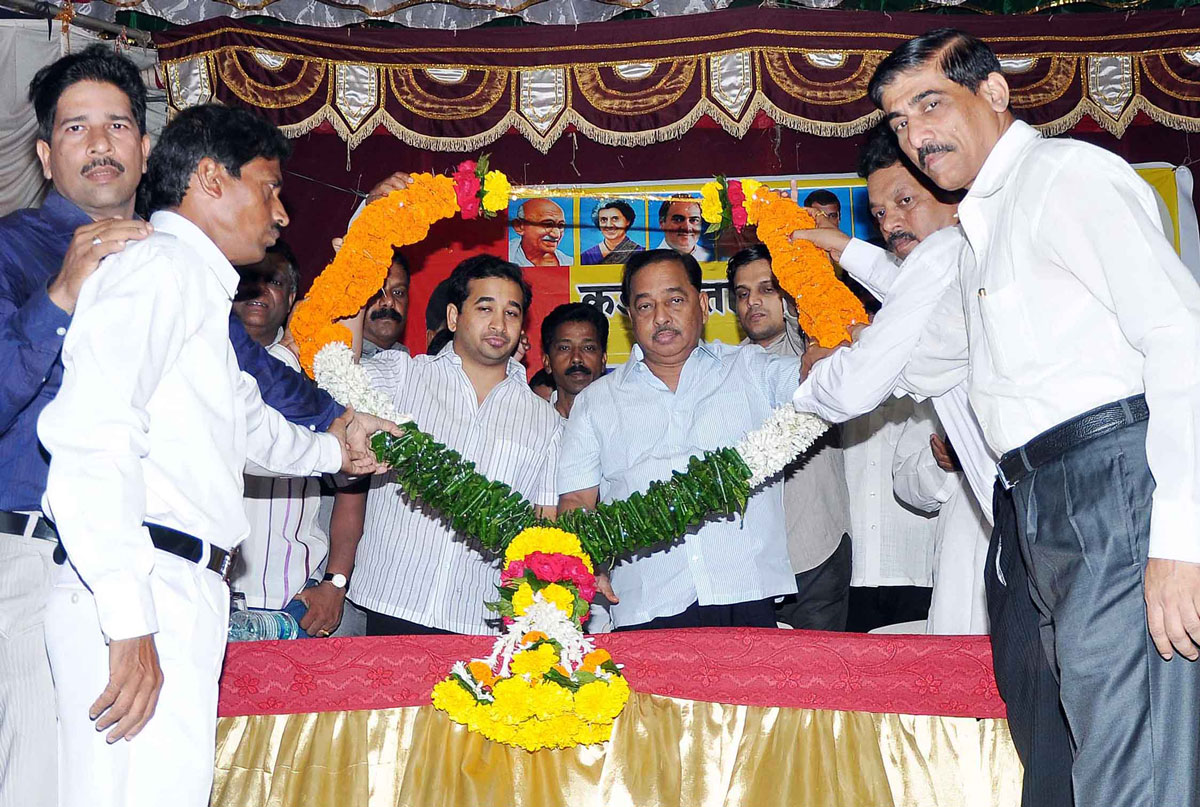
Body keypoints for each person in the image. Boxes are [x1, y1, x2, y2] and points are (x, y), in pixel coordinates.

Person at [0, 46, 348, 807]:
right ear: (209, 181)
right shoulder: (130, 266)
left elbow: (245, 411)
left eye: (118, 124)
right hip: (92, 567)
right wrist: (128, 616)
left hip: (162, 576)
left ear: (148, 149)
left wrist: (339, 442)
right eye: (271, 190)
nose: (283, 212)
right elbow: (90, 435)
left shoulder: (180, 274)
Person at [871, 28, 1200, 806]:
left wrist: (1182, 536)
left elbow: (1180, 338)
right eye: (897, 121)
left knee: (1132, 766)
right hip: (1038, 504)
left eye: (929, 103)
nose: (916, 135)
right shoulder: (981, 227)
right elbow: (926, 365)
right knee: (1083, 759)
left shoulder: (1068, 177)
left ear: (993, 94)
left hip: (1113, 485)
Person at [558, 249, 798, 629]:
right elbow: (575, 499)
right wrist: (587, 558)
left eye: (674, 300)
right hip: (647, 606)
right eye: (645, 306)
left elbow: (827, 383)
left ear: (702, 305)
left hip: (746, 594)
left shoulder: (752, 369)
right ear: (629, 318)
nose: (662, 317)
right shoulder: (596, 402)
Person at [352, 255, 562, 635]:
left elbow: (543, 525)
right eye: (485, 308)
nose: (499, 324)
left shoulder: (545, 420)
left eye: (511, 313)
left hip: (481, 621)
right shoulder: (403, 376)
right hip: (391, 602)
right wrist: (353, 276)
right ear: (453, 318)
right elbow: (338, 378)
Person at [727, 245, 852, 631]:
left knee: (821, 681)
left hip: (817, 545)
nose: (754, 302)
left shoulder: (819, 349)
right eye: (743, 293)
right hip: (752, 559)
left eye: (767, 288)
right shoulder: (726, 370)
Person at [230, 242, 344, 637]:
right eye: (249, 279)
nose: (260, 291)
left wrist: (335, 582)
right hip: (206, 585)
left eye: (274, 281)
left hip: (293, 597)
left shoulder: (323, 368)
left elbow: (353, 483)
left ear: (292, 297)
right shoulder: (202, 360)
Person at [540, 301, 608, 419]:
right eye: (564, 348)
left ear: (603, 359)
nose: (576, 358)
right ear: (547, 362)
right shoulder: (531, 424)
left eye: (588, 348)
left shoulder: (624, 424)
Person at [362, 248, 410, 356]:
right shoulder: (332, 362)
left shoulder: (414, 367)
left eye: (398, 292)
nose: (389, 301)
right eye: (377, 291)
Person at [509, 198, 569, 266]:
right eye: (547, 224)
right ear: (519, 226)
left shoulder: (568, 261)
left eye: (561, 226)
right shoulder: (506, 256)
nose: (556, 235)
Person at [580, 200, 643, 265]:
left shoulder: (641, 253)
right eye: (603, 220)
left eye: (615, 219)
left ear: (628, 221)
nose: (609, 225)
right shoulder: (586, 257)